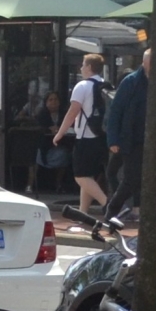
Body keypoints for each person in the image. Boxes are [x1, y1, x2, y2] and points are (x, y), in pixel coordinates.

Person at [55, 53, 111, 224]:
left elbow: (73, 112)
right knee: (88, 176)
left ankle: (108, 204)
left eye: (82, 64)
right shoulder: (105, 85)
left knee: (80, 176)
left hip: (85, 137)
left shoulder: (82, 86)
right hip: (102, 136)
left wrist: (60, 133)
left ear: (88, 67)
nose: (80, 67)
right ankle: (82, 216)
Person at [99, 50, 150, 230]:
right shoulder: (131, 82)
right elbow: (116, 111)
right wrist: (113, 140)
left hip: (151, 140)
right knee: (130, 178)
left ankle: (143, 211)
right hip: (132, 139)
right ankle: (112, 211)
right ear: (144, 63)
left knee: (145, 178)